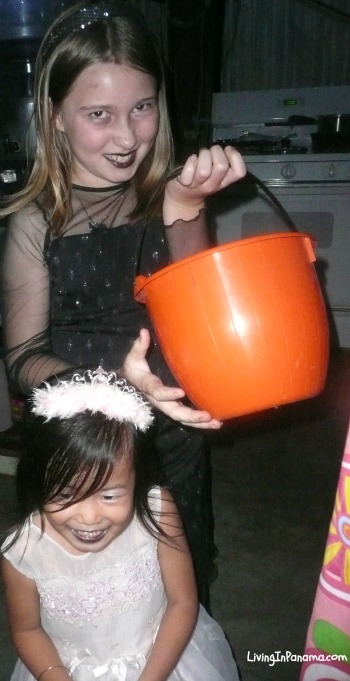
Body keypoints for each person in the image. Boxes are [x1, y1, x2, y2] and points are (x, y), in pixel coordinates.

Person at [0, 0, 246, 608]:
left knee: (177, 593)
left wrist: (186, 208)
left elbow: (204, 315)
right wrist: (114, 385)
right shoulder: (36, 223)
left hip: (169, 432)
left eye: (142, 108)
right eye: (98, 115)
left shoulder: (170, 195)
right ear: (54, 116)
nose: (128, 137)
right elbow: (25, 359)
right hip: (82, 451)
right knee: (94, 604)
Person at [1, 368, 241, 681]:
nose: (89, 517)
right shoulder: (23, 552)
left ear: (137, 478)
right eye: (66, 494)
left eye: (110, 495)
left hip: (161, 661)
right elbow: (28, 629)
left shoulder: (157, 510)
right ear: (37, 480)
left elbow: (182, 602)